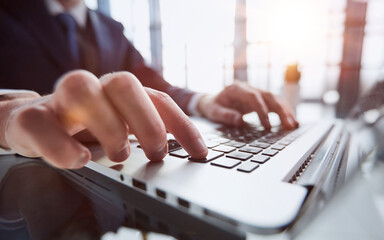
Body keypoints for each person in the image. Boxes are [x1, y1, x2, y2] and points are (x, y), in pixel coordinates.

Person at [0, 0, 298, 169]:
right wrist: (7, 117)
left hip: (112, 178)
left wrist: (205, 101)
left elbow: (154, 85)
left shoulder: (111, 29)